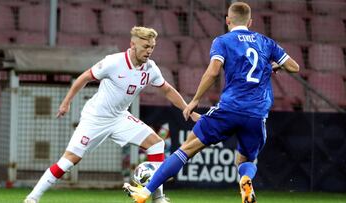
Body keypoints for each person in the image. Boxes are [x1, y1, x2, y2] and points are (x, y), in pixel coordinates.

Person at [123, 2, 300, 203]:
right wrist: (273, 66)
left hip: (230, 109)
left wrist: (195, 100)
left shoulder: (222, 41)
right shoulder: (266, 42)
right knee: (245, 160)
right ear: (250, 22)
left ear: (227, 20)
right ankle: (245, 180)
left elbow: (213, 71)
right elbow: (294, 67)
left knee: (186, 149)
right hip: (257, 114)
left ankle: (144, 193)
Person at [23, 26, 199, 203]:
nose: (149, 51)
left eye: (152, 47)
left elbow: (167, 90)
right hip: (95, 118)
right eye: (145, 46)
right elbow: (85, 77)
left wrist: (187, 109)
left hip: (119, 118)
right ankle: (32, 198)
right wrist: (66, 102)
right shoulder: (113, 62)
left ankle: (158, 197)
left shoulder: (150, 68)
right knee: (69, 161)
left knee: (157, 144)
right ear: (132, 44)